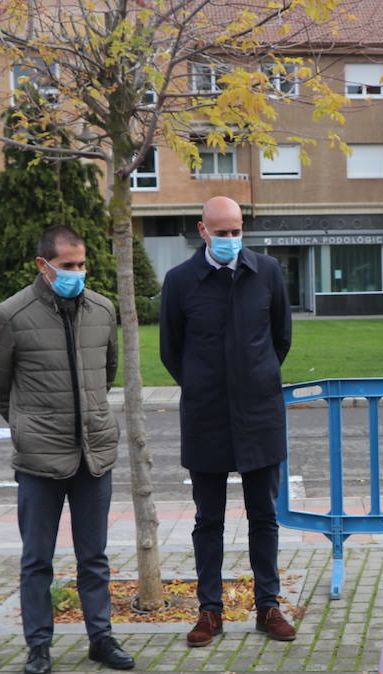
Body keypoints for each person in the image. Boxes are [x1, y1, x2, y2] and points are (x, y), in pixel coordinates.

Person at [0, 225, 135, 674]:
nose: (77, 273)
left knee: (95, 557)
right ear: (42, 265)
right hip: (39, 460)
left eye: (82, 264)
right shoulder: (11, 315)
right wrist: (28, 423)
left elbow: (105, 373)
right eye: (68, 266)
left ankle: (101, 638)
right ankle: (39, 647)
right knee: (37, 559)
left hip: (94, 454)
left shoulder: (103, 310)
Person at [159, 197, 295, 647]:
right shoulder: (180, 282)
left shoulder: (268, 273)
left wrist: (253, 379)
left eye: (236, 231)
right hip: (206, 417)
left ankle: (268, 607)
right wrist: (203, 384)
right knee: (208, 520)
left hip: (259, 416)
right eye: (221, 233)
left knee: (264, 516)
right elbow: (171, 351)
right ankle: (209, 611)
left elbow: (280, 339)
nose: (230, 240)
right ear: (202, 231)